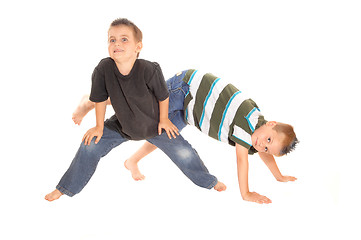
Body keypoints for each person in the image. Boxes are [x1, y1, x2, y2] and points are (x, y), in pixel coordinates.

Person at [45, 18, 225, 202]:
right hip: (122, 125)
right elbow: (99, 99)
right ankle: (65, 188)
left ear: (138, 47)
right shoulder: (103, 69)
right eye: (112, 39)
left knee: (185, 153)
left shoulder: (149, 69)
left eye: (124, 39)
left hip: (153, 124)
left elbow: (163, 96)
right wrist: (99, 127)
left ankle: (209, 181)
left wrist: (163, 119)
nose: (117, 44)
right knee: (90, 144)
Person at [72, 70, 299, 204]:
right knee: (145, 107)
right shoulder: (247, 125)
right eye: (267, 140)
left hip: (191, 110)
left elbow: (264, 154)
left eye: (267, 148)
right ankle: (94, 101)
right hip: (187, 89)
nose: (262, 146)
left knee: (163, 133)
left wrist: (278, 176)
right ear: (271, 124)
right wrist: (246, 193)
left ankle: (132, 161)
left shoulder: (259, 131)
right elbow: (242, 159)